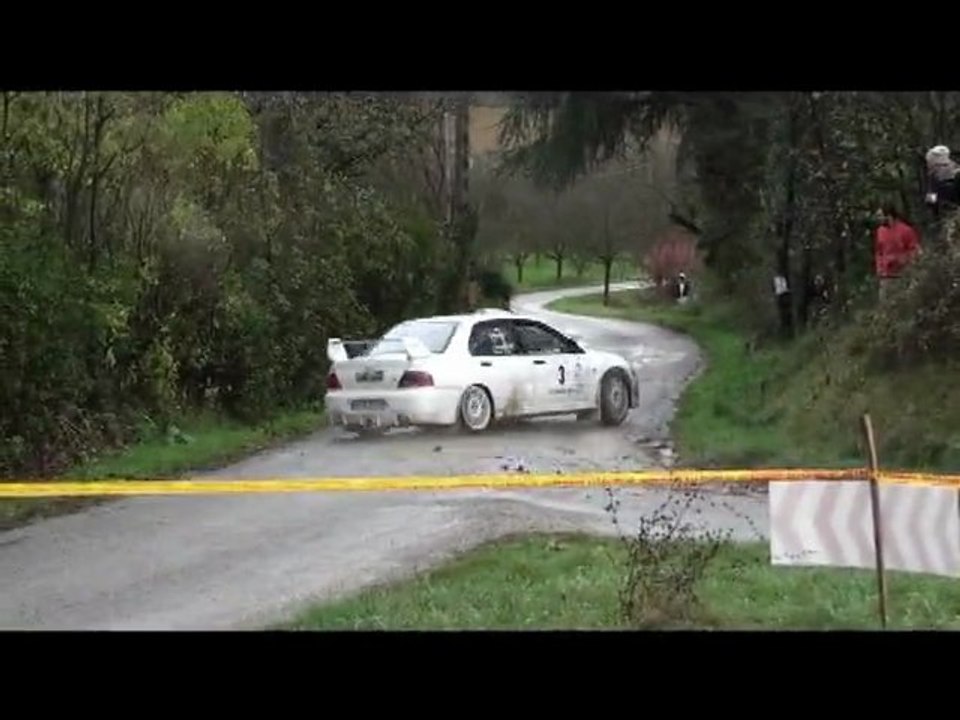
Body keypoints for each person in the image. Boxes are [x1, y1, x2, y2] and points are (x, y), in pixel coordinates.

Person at [874, 204, 921, 302]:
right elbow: (879, 251)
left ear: (889, 216)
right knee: (885, 306)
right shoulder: (880, 231)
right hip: (886, 276)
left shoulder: (906, 230)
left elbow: (915, 250)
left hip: (902, 276)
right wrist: (879, 267)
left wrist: (902, 259)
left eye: (880, 216)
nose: (878, 219)